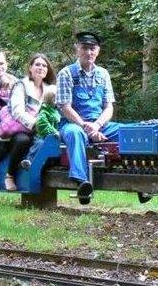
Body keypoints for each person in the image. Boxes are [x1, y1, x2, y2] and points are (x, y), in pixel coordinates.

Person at [56, 32, 124, 205]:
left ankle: (138, 178)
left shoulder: (103, 74)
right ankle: (81, 181)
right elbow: (65, 107)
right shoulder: (66, 74)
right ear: (77, 49)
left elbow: (109, 106)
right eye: (84, 48)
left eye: (92, 48)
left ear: (98, 51)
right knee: (74, 134)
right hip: (74, 123)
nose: (89, 52)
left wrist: (98, 125)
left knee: (127, 132)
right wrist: (86, 126)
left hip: (99, 123)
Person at [0, 53, 56, 191]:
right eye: (37, 64)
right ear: (30, 67)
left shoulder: (49, 88)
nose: (41, 68)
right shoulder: (19, 84)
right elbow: (15, 111)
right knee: (9, 136)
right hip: (11, 124)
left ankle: (35, 168)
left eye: (44, 65)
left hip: (37, 127)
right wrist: (34, 124)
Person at [20, 84, 60, 169]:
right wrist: (53, 131)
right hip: (42, 135)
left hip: (53, 136)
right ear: (49, 99)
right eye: (54, 99)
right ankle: (29, 160)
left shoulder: (56, 110)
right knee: (39, 144)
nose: (57, 101)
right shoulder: (44, 111)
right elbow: (43, 124)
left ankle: (49, 164)